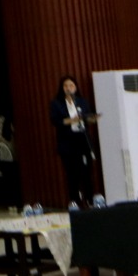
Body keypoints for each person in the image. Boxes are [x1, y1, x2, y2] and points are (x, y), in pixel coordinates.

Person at [49, 76, 99, 207]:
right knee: (72, 174)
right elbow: (56, 121)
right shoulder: (56, 103)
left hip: (83, 140)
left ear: (75, 87)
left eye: (71, 85)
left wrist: (92, 119)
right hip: (68, 142)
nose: (68, 88)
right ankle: (75, 202)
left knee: (87, 172)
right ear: (62, 88)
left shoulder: (82, 102)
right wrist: (72, 120)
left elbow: (87, 117)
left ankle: (90, 200)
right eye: (65, 86)